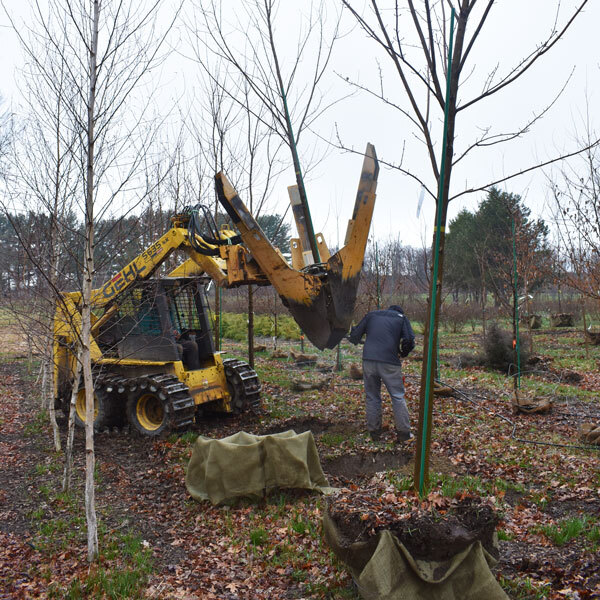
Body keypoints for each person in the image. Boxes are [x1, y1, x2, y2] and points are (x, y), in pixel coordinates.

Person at [349, 305, 415, 443]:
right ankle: (404, 434)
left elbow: (354, 336)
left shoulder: (371, 315)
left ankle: (374, 433)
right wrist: (403, 353)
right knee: (397, 396)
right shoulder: (402, 318)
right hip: (390, 362)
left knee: (372, 397)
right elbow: (409, 340)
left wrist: (354, 338)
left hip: (368, 361)